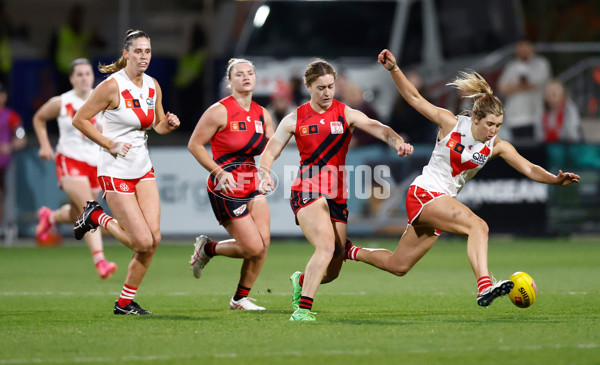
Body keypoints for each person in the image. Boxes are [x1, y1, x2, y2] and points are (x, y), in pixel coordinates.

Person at [342, 49, 580, 308]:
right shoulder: (451, 123)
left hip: (439, 202)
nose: (494, 130)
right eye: (490, 124)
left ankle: (348, 250)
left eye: (499, 125)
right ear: (476, 118)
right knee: (478, 227)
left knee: (399, 266)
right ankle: (484, 286)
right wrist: (393, 69)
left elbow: (530, 168)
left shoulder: (497, 146)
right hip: (425, 193)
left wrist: (554, 180)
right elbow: (414, 98)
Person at [258, 59, 414, 321]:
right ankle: (302, 310)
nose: (327, 92)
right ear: (308, 87)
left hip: (337, 196)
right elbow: (269, 152)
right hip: (306, 191)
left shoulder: (346, 113)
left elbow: (379, 128)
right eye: (321, 87)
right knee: (325, 246)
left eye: (331, 86)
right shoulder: (294, 119)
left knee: (334, 265)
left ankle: (302, 280)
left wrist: (396, 141)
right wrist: (264, 175)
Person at [72, 30, 180, 315]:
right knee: (141, 241)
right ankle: (96, 216)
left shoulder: (153, 85)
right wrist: (109, 144)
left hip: (142, 168)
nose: (144, 56)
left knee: (153, 240)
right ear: (126, 54)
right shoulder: (112, 86)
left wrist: (168, 122)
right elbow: (80, 119)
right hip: (114, 171)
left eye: (148, 51)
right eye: (138, 51)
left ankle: (124, 303)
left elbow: (156, 125)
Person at [187, 58, 274, 311]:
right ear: (230, 81)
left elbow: (270, 150)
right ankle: (208, 249)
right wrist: (218, 172)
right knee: (252, 247)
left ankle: (239, 299)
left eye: (250, 73)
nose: (246, 78)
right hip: (226, 187)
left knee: (263, 245)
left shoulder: (262, 114)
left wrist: (266, 174)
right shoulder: (219, 111)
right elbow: (194, 144)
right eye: (239, 75)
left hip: (252, 184)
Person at [32, 58, 117, 278]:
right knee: (89, 208)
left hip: (95, 164)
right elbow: (39, 118)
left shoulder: (101, 100)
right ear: (71, 79)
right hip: (69, 159)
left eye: (87, 74)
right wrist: (44, 144)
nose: (84, 78)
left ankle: (49, 217)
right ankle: (101, 261)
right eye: (79, 74)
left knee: (77, 212)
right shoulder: (61, 102)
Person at [497, 39, 551, 143]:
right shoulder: (511, 66)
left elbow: (534, 84)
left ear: (531, 48)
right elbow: (502, 88)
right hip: (514, 116)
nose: (522, 50)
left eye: (525, 46)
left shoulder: (541, 63)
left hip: (534, 116)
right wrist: (520, 86)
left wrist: (514, 87)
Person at [0, 82, 26, 227]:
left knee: (7, 196)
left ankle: (7, 228)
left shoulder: (11, 116)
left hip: (4, 163)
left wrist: (9, 146)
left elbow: (21, 138)